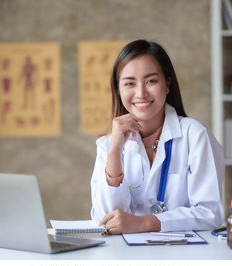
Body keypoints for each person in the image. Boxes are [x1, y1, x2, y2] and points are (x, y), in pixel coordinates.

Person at [90, 39, 225, 235]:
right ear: (118, 90)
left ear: (167, 84)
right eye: (129, 83)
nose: (141, 93)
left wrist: (144, 223)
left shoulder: (195, 135)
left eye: (151, 81)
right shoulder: (107, 145)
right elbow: (106, 220)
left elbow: (210, 213)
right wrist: (114, 152)